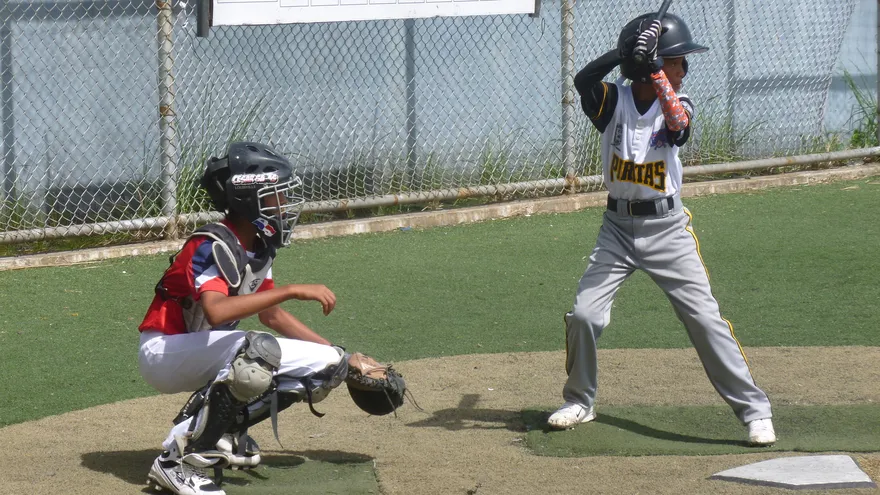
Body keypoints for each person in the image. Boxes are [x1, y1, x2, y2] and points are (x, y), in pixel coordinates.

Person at [547, 13, 776, 446]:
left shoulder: (681, 100)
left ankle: (754, 411)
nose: (683, 67)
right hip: (616, 229)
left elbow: (678, 127)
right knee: (584, 315)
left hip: (667, 228)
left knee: (705, 321)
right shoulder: (613, 100)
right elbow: (582, 81)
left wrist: (652, 66)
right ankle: (580, 400)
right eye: (676, 60)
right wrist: (626, 57)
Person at [138, 142, 353, 495]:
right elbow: (217, 310)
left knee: (323, 364)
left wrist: (342, 356)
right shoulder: (214, 242)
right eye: (276, 194)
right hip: (163, 351)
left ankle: (215, 434)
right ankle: (177, 462)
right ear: (249, 198)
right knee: (257, 352)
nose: (284, 203)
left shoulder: (258, 244)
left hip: (198, 348)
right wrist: (292, 289)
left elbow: (271, 315)